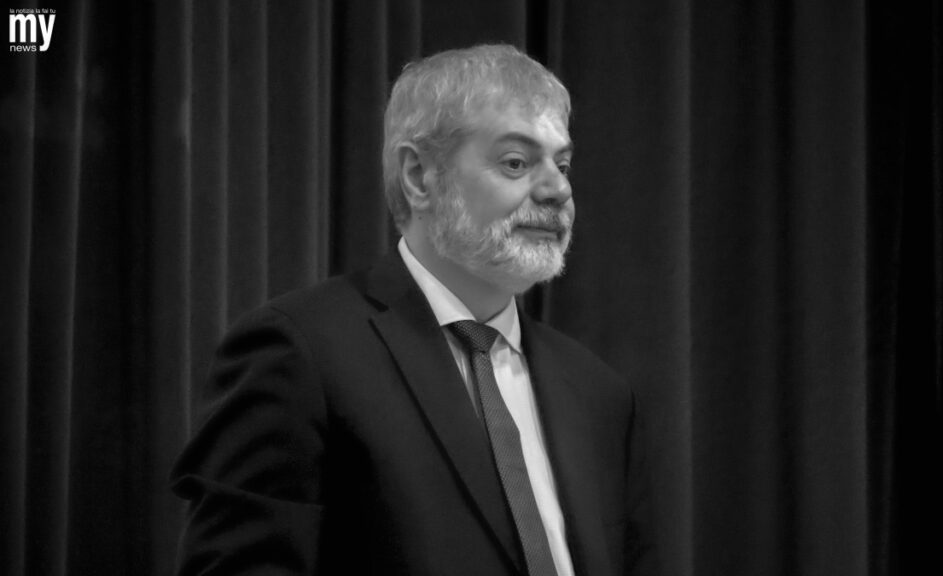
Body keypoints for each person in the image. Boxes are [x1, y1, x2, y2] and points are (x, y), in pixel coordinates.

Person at [172, 44, 655, 576]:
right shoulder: (300, 356)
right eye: (516, 162)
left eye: (562, 165)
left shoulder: (598, 394)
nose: (557, 190)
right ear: (420, 177)